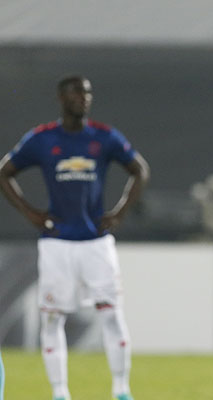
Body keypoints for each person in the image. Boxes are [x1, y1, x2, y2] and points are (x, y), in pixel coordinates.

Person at [0, 75, 150, 400]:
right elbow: (5, 171)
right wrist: (30, 212)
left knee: (111, 314)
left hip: (96, 243)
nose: (83, 98)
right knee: (52, 319)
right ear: (61, 98)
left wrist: (119, 212)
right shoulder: (42, 138)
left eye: (87, 93)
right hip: (57, 244)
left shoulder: (104, 136)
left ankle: (122, 390)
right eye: (76, 93)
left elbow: (139, 169)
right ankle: (60, 393)